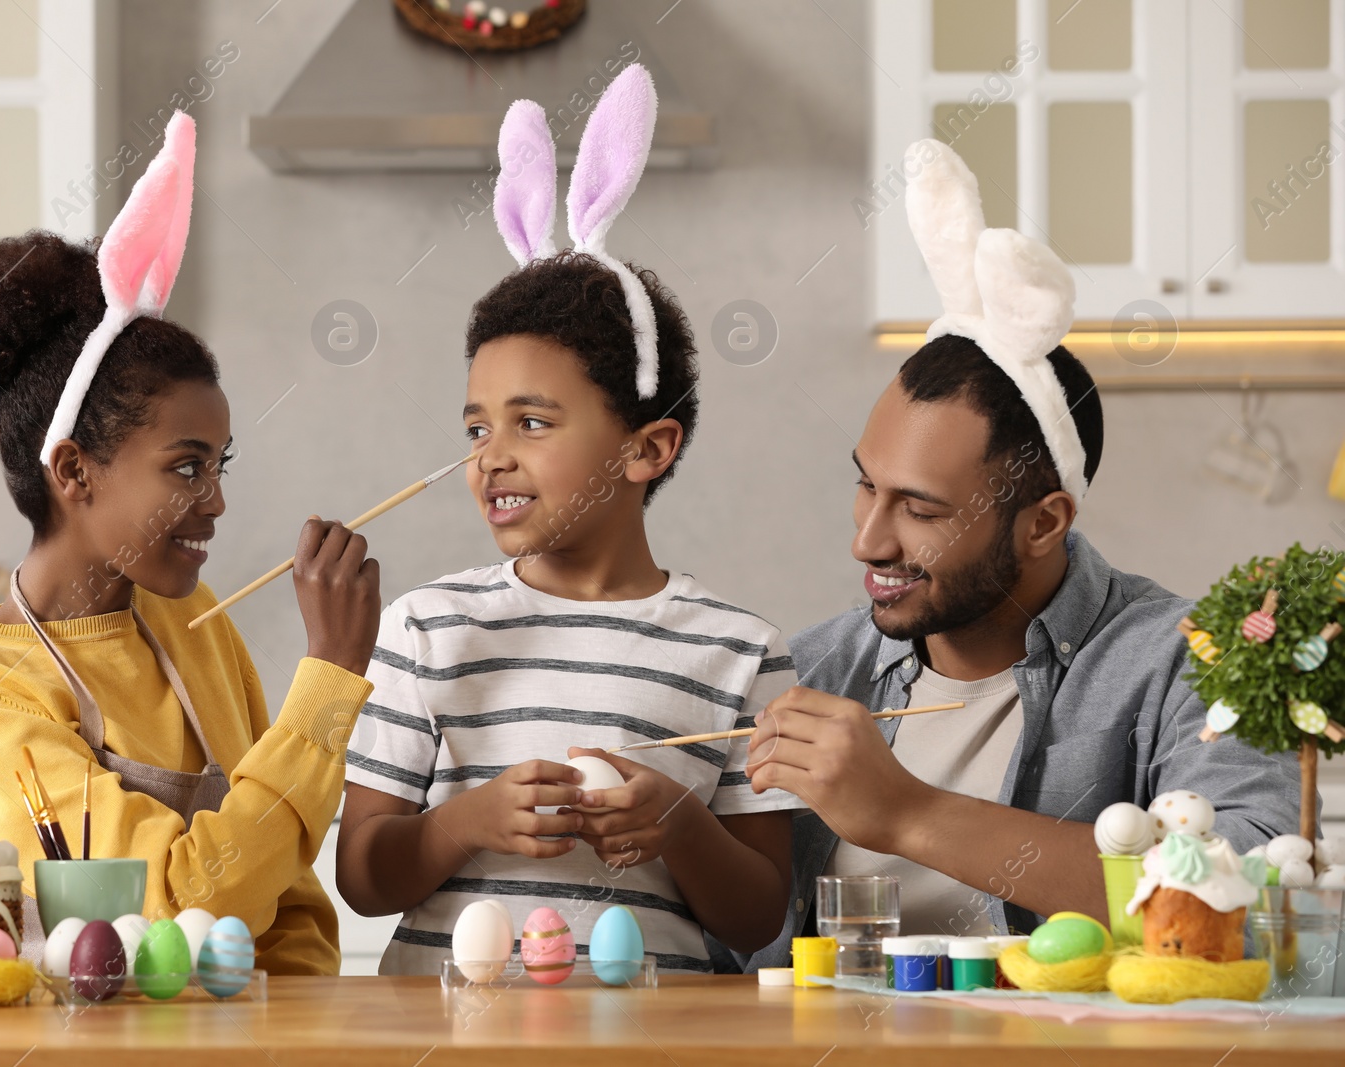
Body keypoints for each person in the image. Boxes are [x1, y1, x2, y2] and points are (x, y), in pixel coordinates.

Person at [727, 140, 1301, 971]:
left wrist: (906, 813)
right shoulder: (813, 670)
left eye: (920, 508)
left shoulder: (1192, 662)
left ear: (1044, 522)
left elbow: (1247, 894)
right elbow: (727, 951)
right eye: (867, 488)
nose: (869, 540)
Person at [334, 68, 803, 975]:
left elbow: (758, 915)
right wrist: (465, 822)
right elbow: (362, 874)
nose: (491, 454)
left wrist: (681, 824)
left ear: (647, 449)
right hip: (446, 1036)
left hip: (651, 1039)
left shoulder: (741, 649)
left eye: (533, 422)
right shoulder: (428, 629)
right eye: (477, 426)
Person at [0, 114, 380, 974]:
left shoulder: (192, 619)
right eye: (186, 467)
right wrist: (327, 687)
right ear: (74, 470)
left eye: (220, 464)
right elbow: (170, 908)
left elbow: (294, 911)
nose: (218, 500)